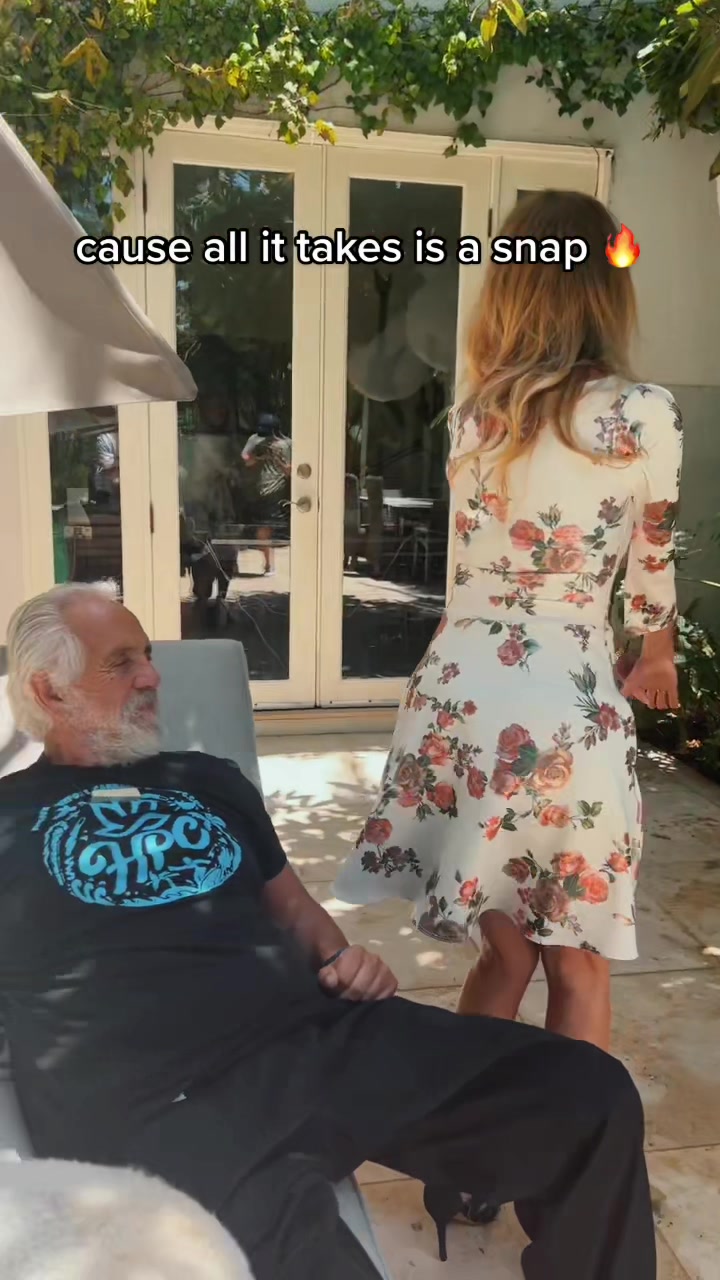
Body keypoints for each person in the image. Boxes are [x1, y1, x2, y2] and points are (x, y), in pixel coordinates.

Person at [0, 584, 657, 1280]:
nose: (152, 677)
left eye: (148, 656)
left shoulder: (207, 780)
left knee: (587, 1094)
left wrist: (343, 955)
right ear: (49, 690)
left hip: (311, 1039)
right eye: (122, 662)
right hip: (158, 1107)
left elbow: (291, 908)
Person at [335, 195, 682, 1060]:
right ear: (605, 287)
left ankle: (464, 1137)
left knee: (504, 952)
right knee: (580, 964)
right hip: (561, 697)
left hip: (460, 693)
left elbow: (475, 570)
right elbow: (653, 554)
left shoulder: (475, 414)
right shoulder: (643, 411)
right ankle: (572, 1143)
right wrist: (656, 654)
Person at [241, 412, 292, 576]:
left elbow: (290, 472)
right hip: (257, 489)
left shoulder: (286, 444)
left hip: (276, 490)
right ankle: (269, 563)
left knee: (265, 530)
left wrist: (277, 458)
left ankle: (269, 564)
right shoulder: (255, 440)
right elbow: (246, 459)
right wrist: (259, 456)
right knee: (262, 530)